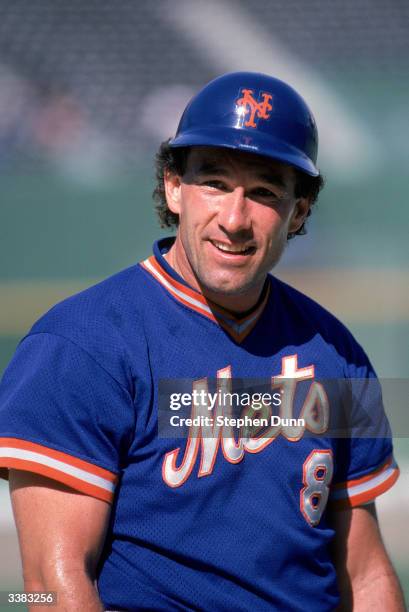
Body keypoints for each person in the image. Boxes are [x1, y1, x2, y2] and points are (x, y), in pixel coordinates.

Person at [0, 72, 405, 611]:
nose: (234, 219)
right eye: (214, 183)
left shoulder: (336, 354)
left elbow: (366, 571)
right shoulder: (80, 346)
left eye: (263, 192)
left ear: (300, 210)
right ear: (174, 186)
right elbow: (51, 582)